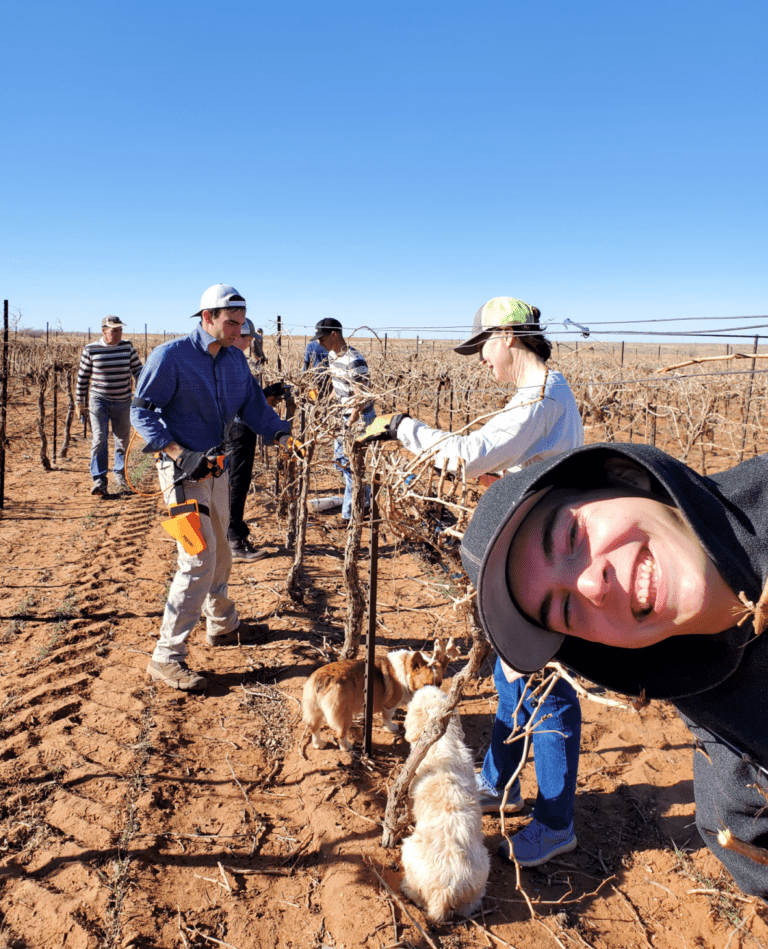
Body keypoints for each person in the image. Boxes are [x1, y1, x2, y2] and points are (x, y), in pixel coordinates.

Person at [461, 440, 768, 901]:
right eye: (564, 610)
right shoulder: (741, 814)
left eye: (571, 536)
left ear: (628, 476)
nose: (590, 583)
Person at [362, 296, 584, 867]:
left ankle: (556, 822)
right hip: (525, 558)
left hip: (542, 567)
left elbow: (466, 456)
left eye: (483, 345)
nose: (481, 359)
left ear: (509, 337)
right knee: (512, 673)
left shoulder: (540, 399)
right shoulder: (539, 397)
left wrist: (401, 427)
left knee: (546, 692)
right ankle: (493, 780)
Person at [131, 284, 296, 692]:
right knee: (197, 562)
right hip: (181, 476)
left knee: (222, 552)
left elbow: (254, 405)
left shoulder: (234, 360)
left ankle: (222, 625)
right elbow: (140, 410)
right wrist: (176, 451)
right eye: (231, 322)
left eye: (242, 323)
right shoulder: (171, 357)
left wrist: (281, 434)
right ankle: (166, 657)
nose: (239, 330)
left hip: (215, 471)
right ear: (207, 317)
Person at [224, 318, 284, 563]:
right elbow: (237, 402)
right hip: (237, 430)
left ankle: (234, 535)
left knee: (238, 483)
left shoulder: (234, 360)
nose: (250, 343)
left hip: (240, 428)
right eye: (247, 338)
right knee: (236, 485)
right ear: (236, 336)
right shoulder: (228, 361)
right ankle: (234, 542)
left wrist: (265, 395)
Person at [314, 317, 376, 521]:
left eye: (322, 338)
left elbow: (362, 395)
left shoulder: (354, 360)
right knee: (341, 462)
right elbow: (339, 386)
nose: (319, 342)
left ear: (334, 334)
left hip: (358, 418)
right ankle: (364, 502)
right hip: (344, 416)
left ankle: (350, 514)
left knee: (351, 466)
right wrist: (327, 404)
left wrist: (350, 423)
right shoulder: (333, 356)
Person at [76, 316, 142, 495]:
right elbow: (82, 378)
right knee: (99, 438)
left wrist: (142, 395)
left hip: (123, 400)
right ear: (104, 331)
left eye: (120, 330)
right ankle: (99, 480)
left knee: (122, 440)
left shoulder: (127, 347)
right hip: (99, 400)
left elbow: (138, 371)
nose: (118, 333)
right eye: (113, 330)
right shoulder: (91, 349)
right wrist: (79, 402)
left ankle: (120, 475)